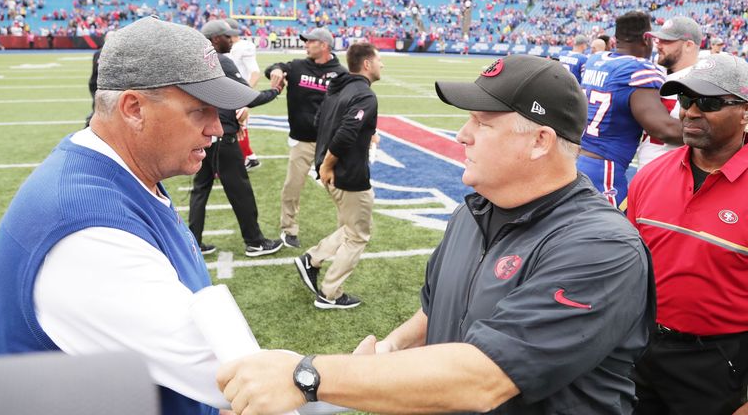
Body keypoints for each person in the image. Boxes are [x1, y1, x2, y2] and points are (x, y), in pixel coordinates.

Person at [217, 54, 655, 415]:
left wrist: (308, 376)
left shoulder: (601, 247)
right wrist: (391, 348)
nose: (463, 135)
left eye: (482, 123)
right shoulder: (476, 211)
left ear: (540, 141)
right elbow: (440, 311)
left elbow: (485, 376)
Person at [0, 17, 260, 415]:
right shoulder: (86, 232)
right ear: (134, 108)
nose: (215, 129)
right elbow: (237, 380)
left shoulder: (124, 172)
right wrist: (347, 377)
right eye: (199, 110)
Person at [627, 53, 748, 415]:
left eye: (709, 102)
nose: (691, 112)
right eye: (685, 99)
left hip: (719, 364)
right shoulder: (651, 174)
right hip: (640, 350)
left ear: (745, 112)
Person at [293, 42, 382, 310]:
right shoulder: (364, 95)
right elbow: (346, 132)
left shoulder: (339, 88)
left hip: (330, 172)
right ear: (366, 64)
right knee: (358, 235)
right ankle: (329, 293)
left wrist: (325, 164)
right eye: (379, 60)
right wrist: (329, 165)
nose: (382, 65)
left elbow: (320, 122)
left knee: (350, 228)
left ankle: (312, 259)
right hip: (347, 174)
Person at [188, 19, 282, 257]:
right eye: (227, 36)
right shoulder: (222, 61)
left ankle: (193, 242)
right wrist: (276, 91)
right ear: (214, 39)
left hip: (202, 136)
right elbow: (248, 97)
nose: (231, 40)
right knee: (241, 192)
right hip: (222, 139)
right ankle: (255, 241)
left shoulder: (196, 61)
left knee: (200, 191)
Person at [578, 11, 683, 209]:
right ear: (646, 39)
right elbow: (663, 129)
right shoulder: (637, 69)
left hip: (578, 160)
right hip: (605, 170)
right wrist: (713, 132)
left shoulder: (595, 60)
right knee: (609, 233)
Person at [264, 27, 348, 249]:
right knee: (292, 186)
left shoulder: (340, 73)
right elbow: (273, 68)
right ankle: (288, 229)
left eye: (310, 41)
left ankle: (345, 231)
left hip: (328, 143)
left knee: (339, 188)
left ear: (324, 45)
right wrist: (276, 70)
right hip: (302, 140)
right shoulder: (297, 66)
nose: (305, 45)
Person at [636, 16, 701, 170]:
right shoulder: (654, 74)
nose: (658, 44)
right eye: (658, 40)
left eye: (667, 41)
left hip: (672, 173)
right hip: (646, 169)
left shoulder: (701, 82)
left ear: (689, 45)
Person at [224, 18, 262, 171]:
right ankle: (251, 157)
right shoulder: (230, 48)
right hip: (228, 93)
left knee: (236, 129)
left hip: (237, 95)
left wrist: (244, 94)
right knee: (237, 129)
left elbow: (255, 72)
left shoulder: (242, 47)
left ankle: (242, 160)